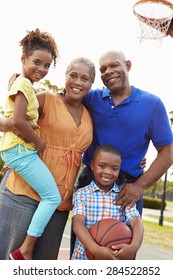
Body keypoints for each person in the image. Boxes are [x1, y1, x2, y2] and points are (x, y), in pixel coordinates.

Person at [70, 50, 173, 256]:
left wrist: (139, 186)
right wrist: (24, 84)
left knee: (121, 256)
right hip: (90, 183)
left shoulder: (152, 104)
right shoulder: (92, 98)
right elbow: (61, 99)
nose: (108, 71)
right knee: (83, 253)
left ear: (128, 65)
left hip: (129, 189)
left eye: (114, 65)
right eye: (103, 69)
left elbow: (168, 152)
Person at [0, 56, 95, 260]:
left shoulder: (90, 115)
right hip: (24, 194)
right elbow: (10, 116)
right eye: (73, 75)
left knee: (44, 265)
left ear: (91, 84)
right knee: (10, 260)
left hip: (59, 203)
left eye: (84, 78)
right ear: (65, 77)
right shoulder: (46, 99)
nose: (77, 82)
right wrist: (10, 125)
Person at [0, 28, 62, 260]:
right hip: (20, 150)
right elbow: (16, 120)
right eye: (37, 62)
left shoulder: (21, 82)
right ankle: (25, 250)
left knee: (48, 196)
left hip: (15, 150)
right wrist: (38, 143)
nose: (42, 69)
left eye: (47, 65)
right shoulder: (23, 85)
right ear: (24, 59)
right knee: (53, 198)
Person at [72, 144, 143, 260]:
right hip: (83, 258)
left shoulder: (123, 196)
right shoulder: (82, 194)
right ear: (92, 166)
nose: (108, 172)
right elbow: (78, 224)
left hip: (113, 259)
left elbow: (137, 222)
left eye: (114, 169)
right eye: (102, 166)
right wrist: (95, 249)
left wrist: (134, 247)